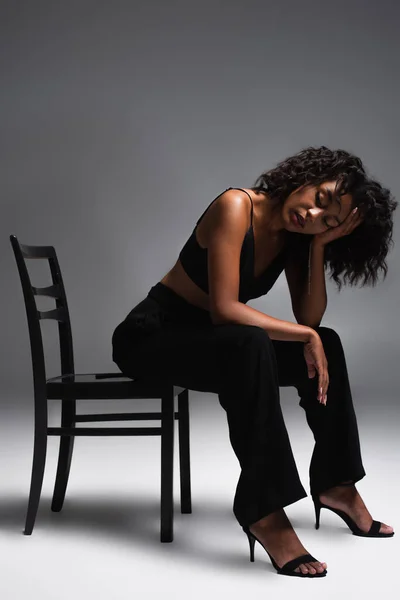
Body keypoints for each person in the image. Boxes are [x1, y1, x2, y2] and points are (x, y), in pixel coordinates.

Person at [111, 145, 397, 578]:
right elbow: (224, 310)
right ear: (307, 177)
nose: (314, 216)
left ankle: (337, 484)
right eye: (319, 201)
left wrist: (317, 246)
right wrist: (304, 336)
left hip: (212, 341)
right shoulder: (235, 206)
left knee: (327, 343)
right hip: (151, 336)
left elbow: (311, 317)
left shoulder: (297, 237)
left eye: (330, 221)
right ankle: (264, 509)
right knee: (250, 342)